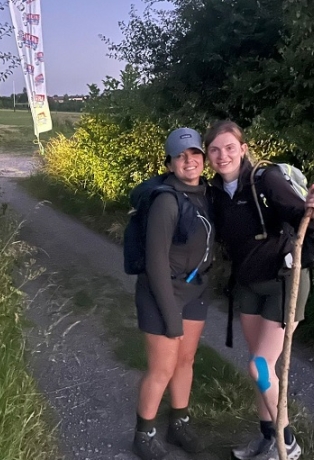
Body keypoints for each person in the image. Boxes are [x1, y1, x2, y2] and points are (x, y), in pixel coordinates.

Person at [205, 120, 314, 460]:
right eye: (214, 149)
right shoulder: (215, 192)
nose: (223, 155)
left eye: (230, 147)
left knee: (259, 367)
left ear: (243, 149)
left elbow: (305, 219)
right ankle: (267, 438)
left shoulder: (265, 179)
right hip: (247, 283)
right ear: (208, 156)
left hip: (283, 282)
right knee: (262, 368)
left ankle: (287, 442)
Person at [131, 127, 214, 460]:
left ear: (203, 160)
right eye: (180, 156)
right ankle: (143, 433)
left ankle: (178, 423)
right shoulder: (166, 200)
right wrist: (171, 318)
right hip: (162, 292)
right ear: (169, 164)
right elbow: (154, 263)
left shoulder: (206, 194)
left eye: (194, 153)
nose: (188, 160)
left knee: (186, 360)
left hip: (195, 290)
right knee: (162, 368)